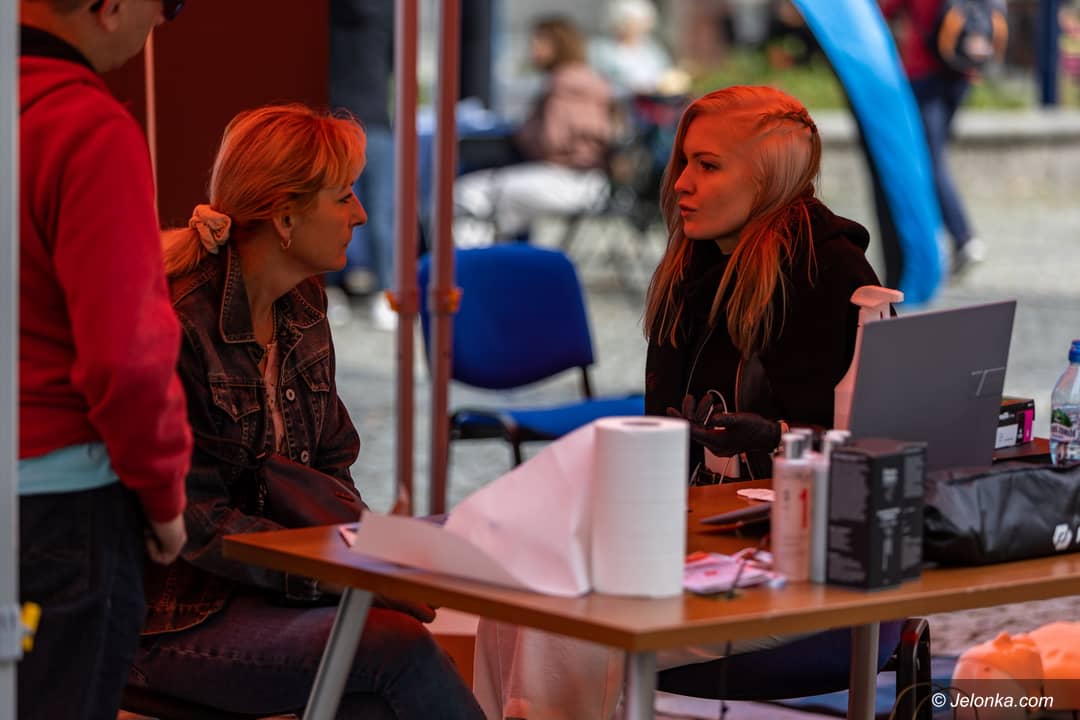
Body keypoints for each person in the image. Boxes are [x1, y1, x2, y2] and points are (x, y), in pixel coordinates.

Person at [473, 85, 884, 720]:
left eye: (709, 166)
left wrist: (773, 436)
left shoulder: (830, 277)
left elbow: (865, 457)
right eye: (684, 162)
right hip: (693, 546)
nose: (681, 184)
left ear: (769, 177)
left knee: (565, 627)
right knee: (511, 598)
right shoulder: (693, 267)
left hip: (796, 571)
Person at [129, 105, 485, 720]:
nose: (361, 214)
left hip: (266, 596)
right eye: (343, 197)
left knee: (379, 685)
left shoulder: (303, 305)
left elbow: (331, 471)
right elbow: (197, 527)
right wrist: (345, 576)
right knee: (396, 649)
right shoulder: (181, 326)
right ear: (286, 217)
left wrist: (378, 561)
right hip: (169, 620)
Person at [18, 2, 191, 718]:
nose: (163, 22)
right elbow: (128, 360)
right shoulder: (86, 128)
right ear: (111, 4)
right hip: (56, 514)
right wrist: (165, 500)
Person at [453, 16, 613, 246]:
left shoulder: (563, 84)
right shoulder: (590, 80)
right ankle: (496, 258)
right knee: (499, 204)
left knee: (467, 193)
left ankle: (470, 264)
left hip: (571, 180)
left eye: (538, 42)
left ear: (558, 45)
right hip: (588, 181)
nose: (532, 49)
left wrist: (522, 133)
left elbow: (553, 141)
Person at [880, 0, 1007, 274]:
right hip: (961, 73)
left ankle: (962, 237)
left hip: (923, 74)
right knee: (934, 157)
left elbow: (885, 11)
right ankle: (945, 238)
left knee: (930, 161)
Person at [329, 0, 398, 330]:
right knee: (382, 216)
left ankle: (329, 289)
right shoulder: (388, 11)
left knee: (329, 211)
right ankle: (386, 292)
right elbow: (395, 63)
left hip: (335, 119)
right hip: (375, 120)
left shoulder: (326, 13)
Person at [589, 0, 684, 96]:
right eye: (633, 22)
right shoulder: (601, 49)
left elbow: (665, 76)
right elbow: (598, 80)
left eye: (642, 22)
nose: (639, 27)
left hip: (651, 100)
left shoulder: (654, 50)